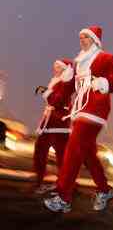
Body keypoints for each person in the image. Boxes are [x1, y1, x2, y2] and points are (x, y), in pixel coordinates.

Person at [44, 26, 113, 213]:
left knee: (73, 150)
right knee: (87, 154)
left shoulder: (106, 58)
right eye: (80, 37)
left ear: (95, 40)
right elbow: (67, 91)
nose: (82, 40)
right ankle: (105, 190)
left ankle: (64, 198)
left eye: (86, 37)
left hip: (95, 111)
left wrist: (105, 83)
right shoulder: (79, 62)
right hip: (79, 111)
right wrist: (52, 94)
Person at [33, 58, 75, 194]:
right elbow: (53, 101)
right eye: (54, 66)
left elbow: (58, 100)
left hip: (59, 124)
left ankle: (65, 186)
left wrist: (45, 91)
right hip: (49, 122)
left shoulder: (67, 83)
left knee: (61, 156)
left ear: (65, 69)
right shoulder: (55, 82)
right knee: (40, 151)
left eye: (58, 67)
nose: (54, 69)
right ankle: (39, 180)